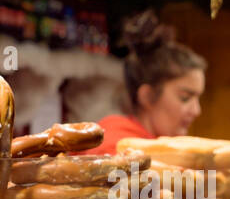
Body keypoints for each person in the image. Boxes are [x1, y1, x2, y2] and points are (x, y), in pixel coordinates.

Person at [84, 10, 206, 155]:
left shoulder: (162, 149)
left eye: (198, 98)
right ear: (147, 96)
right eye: (185, 97)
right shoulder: (115, 147)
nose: (196, 111)